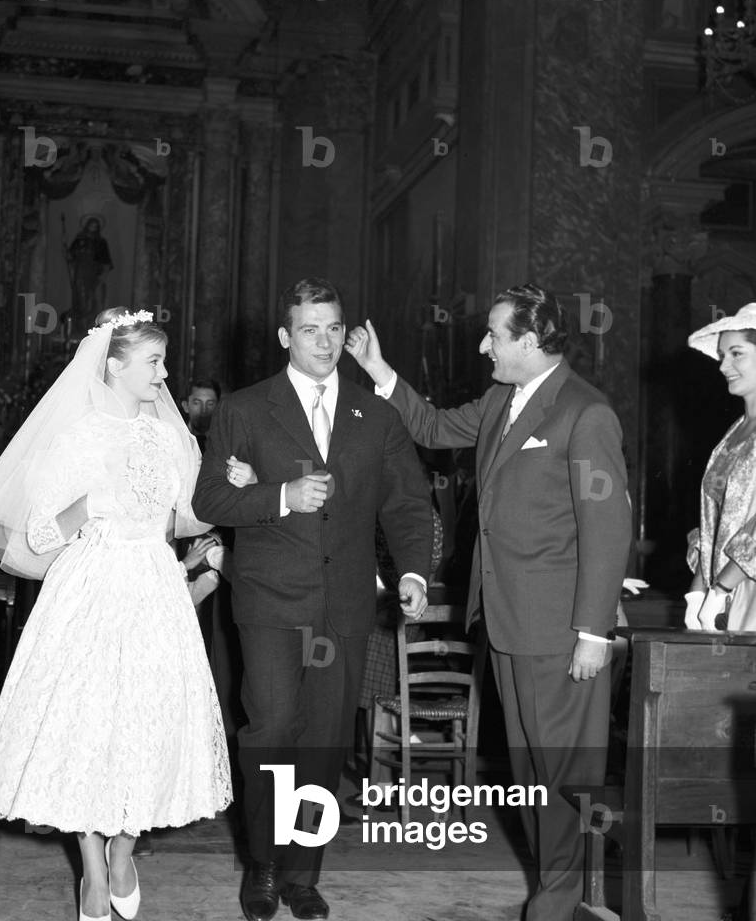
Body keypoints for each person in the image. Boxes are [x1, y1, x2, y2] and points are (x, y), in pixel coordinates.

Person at [346, 282, 632, 921]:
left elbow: (608, 528)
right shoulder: (504, 398)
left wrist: (593, 633)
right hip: (505, 622)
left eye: (494, 336)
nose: (483, 346)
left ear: (529, 341)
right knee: (531, 776)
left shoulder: (586, 413)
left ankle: (558, 905)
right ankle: (559, 896)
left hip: (561, 632)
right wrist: (378, 370)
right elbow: (433, 426)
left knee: (563, 778)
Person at [0, 307, 231, 921]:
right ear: (114, 366)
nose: (164, 376)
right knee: (87, 726)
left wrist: (231, 481)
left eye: (163, 362)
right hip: (91, 586)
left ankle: (125, 850)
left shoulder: (170, 437)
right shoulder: (76, 436)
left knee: (148, 721)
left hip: (153, 586)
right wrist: (88, 504)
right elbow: (38, 534)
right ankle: (92, 866)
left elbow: (193, 511)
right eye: (154, 362)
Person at [192, 278, 434, 921]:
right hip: (270, 600)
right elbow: (209, 498)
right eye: (309, 330)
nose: (324, 342)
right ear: (285, 336)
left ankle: (304, 875)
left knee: (324, 741)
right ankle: (264, 865)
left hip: (344, 605)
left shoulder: (375, 415)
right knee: (272, 729)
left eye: (333, 329)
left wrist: (413, 571)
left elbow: (409, 505)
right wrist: (280, 496)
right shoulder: (245, 409)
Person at [683, 304, 756, 632]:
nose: (724, 365)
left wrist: (722, 587)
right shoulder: (733, 432)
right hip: (724, 592)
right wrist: (699, 590)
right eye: (722, 355)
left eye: (736, 354)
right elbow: (714, 519)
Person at [181, 378, 221, 452]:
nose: (204, 410)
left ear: (219, 407)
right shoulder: (176, 438)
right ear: (186, 406)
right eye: (197, 403)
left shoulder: (225, 440)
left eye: (210, 404)